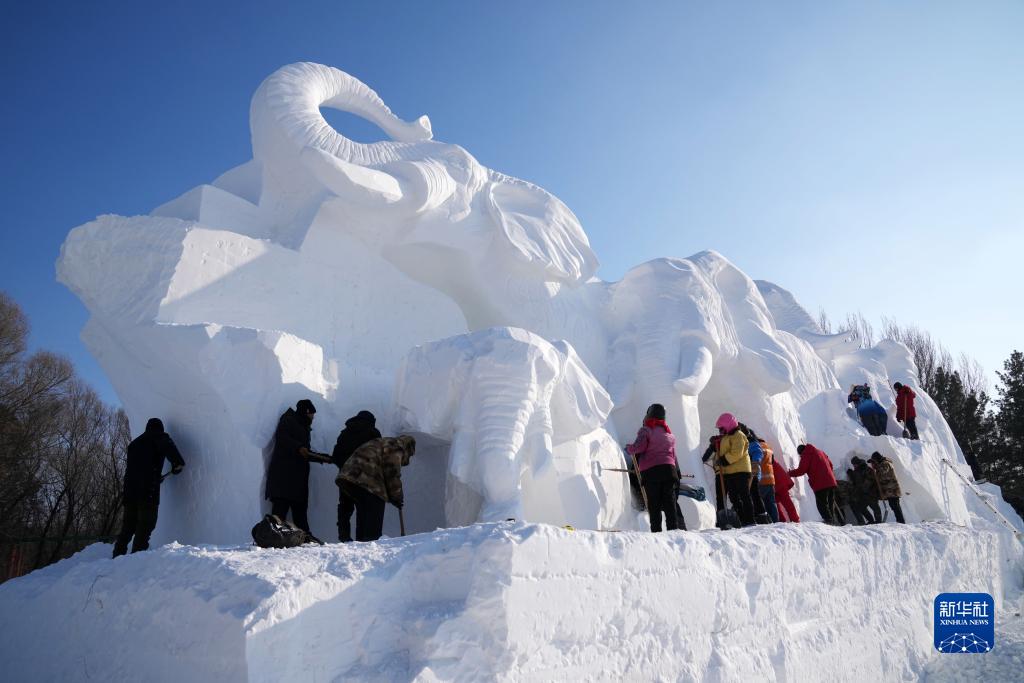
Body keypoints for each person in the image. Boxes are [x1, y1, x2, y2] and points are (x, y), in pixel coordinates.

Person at [113, 418, 185, 558]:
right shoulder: (159, 436)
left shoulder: (134, 444)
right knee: (145, 525)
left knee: (128, 526)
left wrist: (155, 477)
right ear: (160, 428)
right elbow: (174, 455)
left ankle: (117, 557)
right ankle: (137, 558)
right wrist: (177, 464)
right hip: (147, 492)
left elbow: (138, 468)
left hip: (129, 491)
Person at [265, 399, 329, 542]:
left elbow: (304, 452)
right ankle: (273, 537)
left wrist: (322, 458)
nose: (313, 418)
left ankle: (305, 536)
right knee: (279, 511)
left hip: (297, 480)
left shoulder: (302, 426)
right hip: (284, 477)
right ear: (306, 412)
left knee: (300, 511)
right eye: (312, 414)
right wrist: (298, 447)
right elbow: (283, 438)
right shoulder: (289, 421)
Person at [337, 435, 416, 541]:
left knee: (364, 514)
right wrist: (397, 496)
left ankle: (361, 545)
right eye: (409, 455)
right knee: (375, 507)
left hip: (348, 476)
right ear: (408, 448)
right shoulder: (397, 446)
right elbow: (392, 472)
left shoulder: (382, 442)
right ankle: (370, 542)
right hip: (366, 479)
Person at [626, 404, 680, 532]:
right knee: (669, 503)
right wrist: (677, 473)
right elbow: (674, 456)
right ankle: (673, 530)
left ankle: (656, 532)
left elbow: (639, 447)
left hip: (652, 473)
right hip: (669, 472)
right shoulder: (669, 434)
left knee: (654, 503)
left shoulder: (646, 430)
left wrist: (629, 448)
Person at [331, 410, 382, 542]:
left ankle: (344, 536)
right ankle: (362, 539)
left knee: (345, 506)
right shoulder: (373, 433)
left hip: (345, 477)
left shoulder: (345, 433)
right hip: (363, 478)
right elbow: (379, 457)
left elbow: (335, 455)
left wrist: (345, 466)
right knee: (363, 507)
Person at [715, 412, 754, 526]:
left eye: (722, 428)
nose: (720, 431)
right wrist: (716, 441)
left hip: (740, 471)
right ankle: (741, 519)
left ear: (728, 425)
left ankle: (750, 519)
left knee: (744, 495)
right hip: (730, 472)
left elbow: (737, 453)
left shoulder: (739, 435)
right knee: (733, 497)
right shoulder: (727, 437)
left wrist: (723, 460)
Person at [788, 444, 840, 525]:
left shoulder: (806, 455)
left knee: (822, 503)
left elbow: (801, 470)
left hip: (820, 483)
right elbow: (831, 465)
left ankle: (828, 521)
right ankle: (832, 521)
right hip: (831, 481)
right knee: (830, 502)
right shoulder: (820, 452)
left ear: (801, 452)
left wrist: (790, 473)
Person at [740, 424, 771, 524]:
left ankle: (762, 515)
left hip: (753, 472)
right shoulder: (745, 443)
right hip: (747, 472)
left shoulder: (753, 442)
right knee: (750, 495)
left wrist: (755, 462)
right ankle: (758, 515)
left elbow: (758, 453)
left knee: (755, 494)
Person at [869, 451, 906, 523]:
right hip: (890, 491)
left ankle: (901, 521)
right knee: (894, 506)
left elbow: (883, 474)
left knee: (895, 507)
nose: (872, 464)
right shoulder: (883, 464)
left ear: (877, 460)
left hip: (892, 490)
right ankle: (900, 521)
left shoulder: (885, 464)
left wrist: (876, 468)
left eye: (873, 462)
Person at [850, 456, 883, 523]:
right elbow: (856, 482)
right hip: (864, 495)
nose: (854, 466)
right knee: (861, 508)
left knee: (875, 508)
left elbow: (869, 480)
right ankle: (871, 521)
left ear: (858, 463)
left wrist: (864, 488)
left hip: (872, 493)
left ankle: (879, 522)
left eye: (854, 464)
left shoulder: (867, 469)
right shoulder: (857, 471)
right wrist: (851, 474)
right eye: (853, 465)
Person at [757, 438, 779, 523]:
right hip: (771, 479)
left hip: (762, 479)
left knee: (760, 502)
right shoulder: (769, 448)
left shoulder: (758, 447)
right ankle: (775, 521)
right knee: (771, 503)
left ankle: (765, 521)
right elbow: (772, 462)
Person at [702, 434, 725, 512]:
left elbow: (705, 458)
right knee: (734, 496)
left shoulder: (715, 445)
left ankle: (721, 515)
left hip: (720, 473)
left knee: (721, 496)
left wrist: (712, 447)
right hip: (733, 472)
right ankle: (740, 516)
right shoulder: (730, 440)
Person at [773, 458, 800, 522]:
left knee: (783, 504)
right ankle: (792, 520)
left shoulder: (767, 462)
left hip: (779, 485)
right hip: (781, 484)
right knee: (785, 504)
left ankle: (789, 520)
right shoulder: (774, 462)